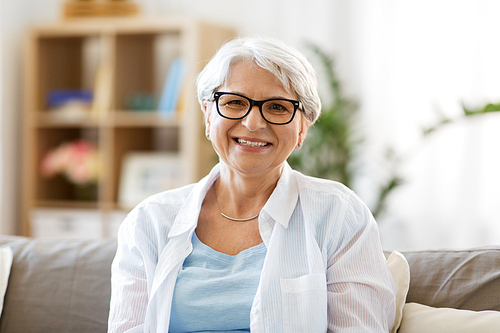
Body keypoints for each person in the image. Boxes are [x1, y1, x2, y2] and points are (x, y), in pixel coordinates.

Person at [108, 36, 396, 333]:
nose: (254, 123)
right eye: (234, 102)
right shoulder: (149, 221)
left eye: (277, 107)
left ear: (302, 129)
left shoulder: (339, 214)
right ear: (208, 116)